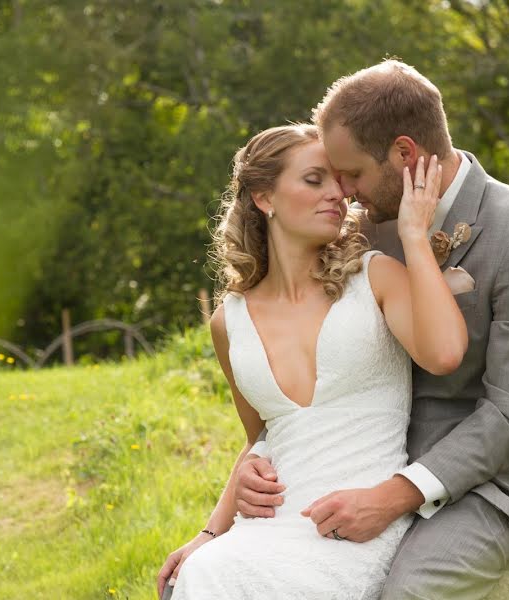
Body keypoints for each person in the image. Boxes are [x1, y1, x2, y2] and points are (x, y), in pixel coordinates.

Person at [228, 60, 509, 599]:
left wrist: (393, 496)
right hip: (373, 460)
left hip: (493, 484)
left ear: (405, 154)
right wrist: (254, 464)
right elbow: (315, 370)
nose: (344, 193)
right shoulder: (366, 233)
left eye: (352, 175)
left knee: (407, 592)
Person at [156, 120, 469, 599]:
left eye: (340, 183)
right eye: (313, 179)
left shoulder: (375, 278)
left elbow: (445, 353)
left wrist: (413, 236)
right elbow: (258, 437)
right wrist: (209, 532)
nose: (338, 195)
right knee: (202, 573)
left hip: (354, 527)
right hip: (265, 528)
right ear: (265, 198)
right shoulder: (228, 321)